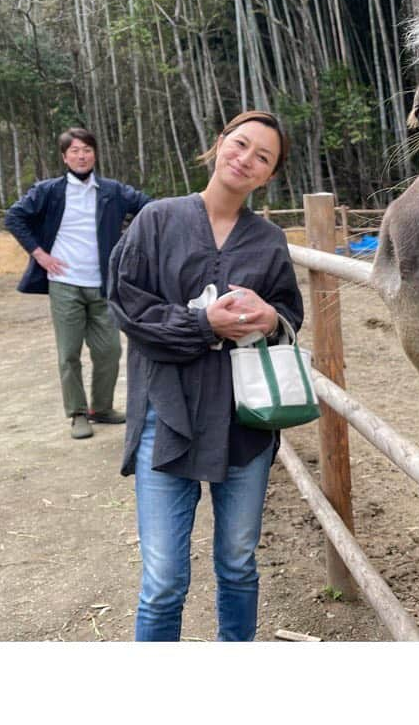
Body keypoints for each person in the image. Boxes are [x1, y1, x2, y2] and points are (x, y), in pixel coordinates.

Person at [107, 111, 303, 642]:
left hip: (244, 423)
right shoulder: (157, 219)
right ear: (218, 146)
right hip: (165, 416)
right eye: (240, 145)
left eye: (262, 157)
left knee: (238, 563)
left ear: (269, 175)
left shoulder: (267, 241)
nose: (246, 159)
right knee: (164, 580)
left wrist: (271, 317)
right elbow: (127, 304)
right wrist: (200, 323)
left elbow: (290, 310)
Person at [6, 127, 151, 440]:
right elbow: (14, 217)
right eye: (74, 151)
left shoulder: (112, 191)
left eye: (86, 149)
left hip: (103, 284)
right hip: (64, 283)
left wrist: (129, 245)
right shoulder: (49, 191)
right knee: (69, 353)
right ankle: (77, 413)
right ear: (64, 156)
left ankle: (102, 408)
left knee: (109, 351)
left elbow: (149, 208)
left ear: (95, 153)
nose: (81, 155)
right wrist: (39, 254)